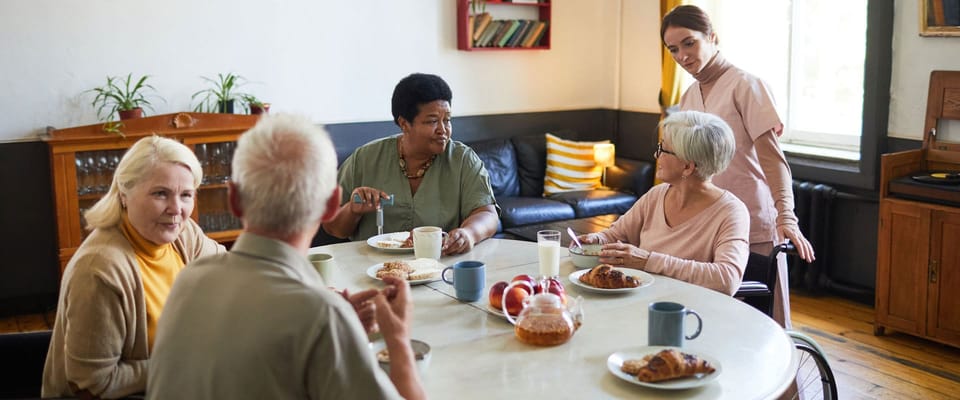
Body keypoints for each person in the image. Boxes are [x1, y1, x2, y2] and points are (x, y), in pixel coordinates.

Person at [148, 114, 425, 400]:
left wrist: (341, 329)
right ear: (332, 204)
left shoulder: (189, 280)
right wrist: (399, 342)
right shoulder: (322, 316)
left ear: (233, 199)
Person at [661, 5, 815, 326]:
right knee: (713, 319)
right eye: (673, 49)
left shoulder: (747, 86)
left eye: (689, 43)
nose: (682, 55)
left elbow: (774, 160)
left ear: (712, 37)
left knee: (767, 323)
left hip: (753, 220)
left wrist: (786, 214)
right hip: (708, 222)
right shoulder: (689, 96)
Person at [42, 136, 225, 399]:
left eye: (186, 195)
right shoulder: (99, 271)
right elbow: (92, 384)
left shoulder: (183, 234)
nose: (176, 209)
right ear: (124, 194)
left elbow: (227, 269)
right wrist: (180, 366)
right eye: (160, 193)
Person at [322, 73, 499, 255]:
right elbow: (333, 228)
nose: (443, 130)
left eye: (447, 119)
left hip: (440, 267)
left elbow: (488, 214)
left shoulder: (463, 160)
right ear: (404, 124)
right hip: (371, 269)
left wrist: (468, 234)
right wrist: (353, 210)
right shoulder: (364, 159)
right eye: (432, 121)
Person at [577, 111, 749, 296]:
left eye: (663, 149)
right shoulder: (656, 195)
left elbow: (727, 279)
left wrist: (648, 261)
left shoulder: (731, 212)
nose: (655, 154)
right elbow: (616, 235)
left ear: (687, 167)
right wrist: (598, 240)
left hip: (691, 313)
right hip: (640, 301)